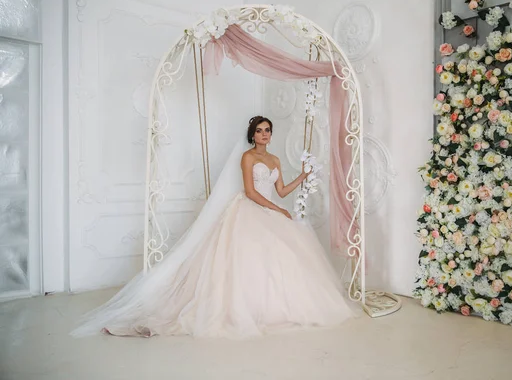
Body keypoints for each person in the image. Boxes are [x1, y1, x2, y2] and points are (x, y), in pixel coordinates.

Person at [71, 116, 359, 339]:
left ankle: (269, 307)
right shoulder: (248, 157)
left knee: (279, 259)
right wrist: (278, 210)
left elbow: (281, 190)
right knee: (243, 261)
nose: (264, 134)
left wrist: (303, 178)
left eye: (268, 130)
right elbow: (250, 192)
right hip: (250, 211)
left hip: (270, 209)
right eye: (259, 130)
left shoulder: (274, 159)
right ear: (252, 134)